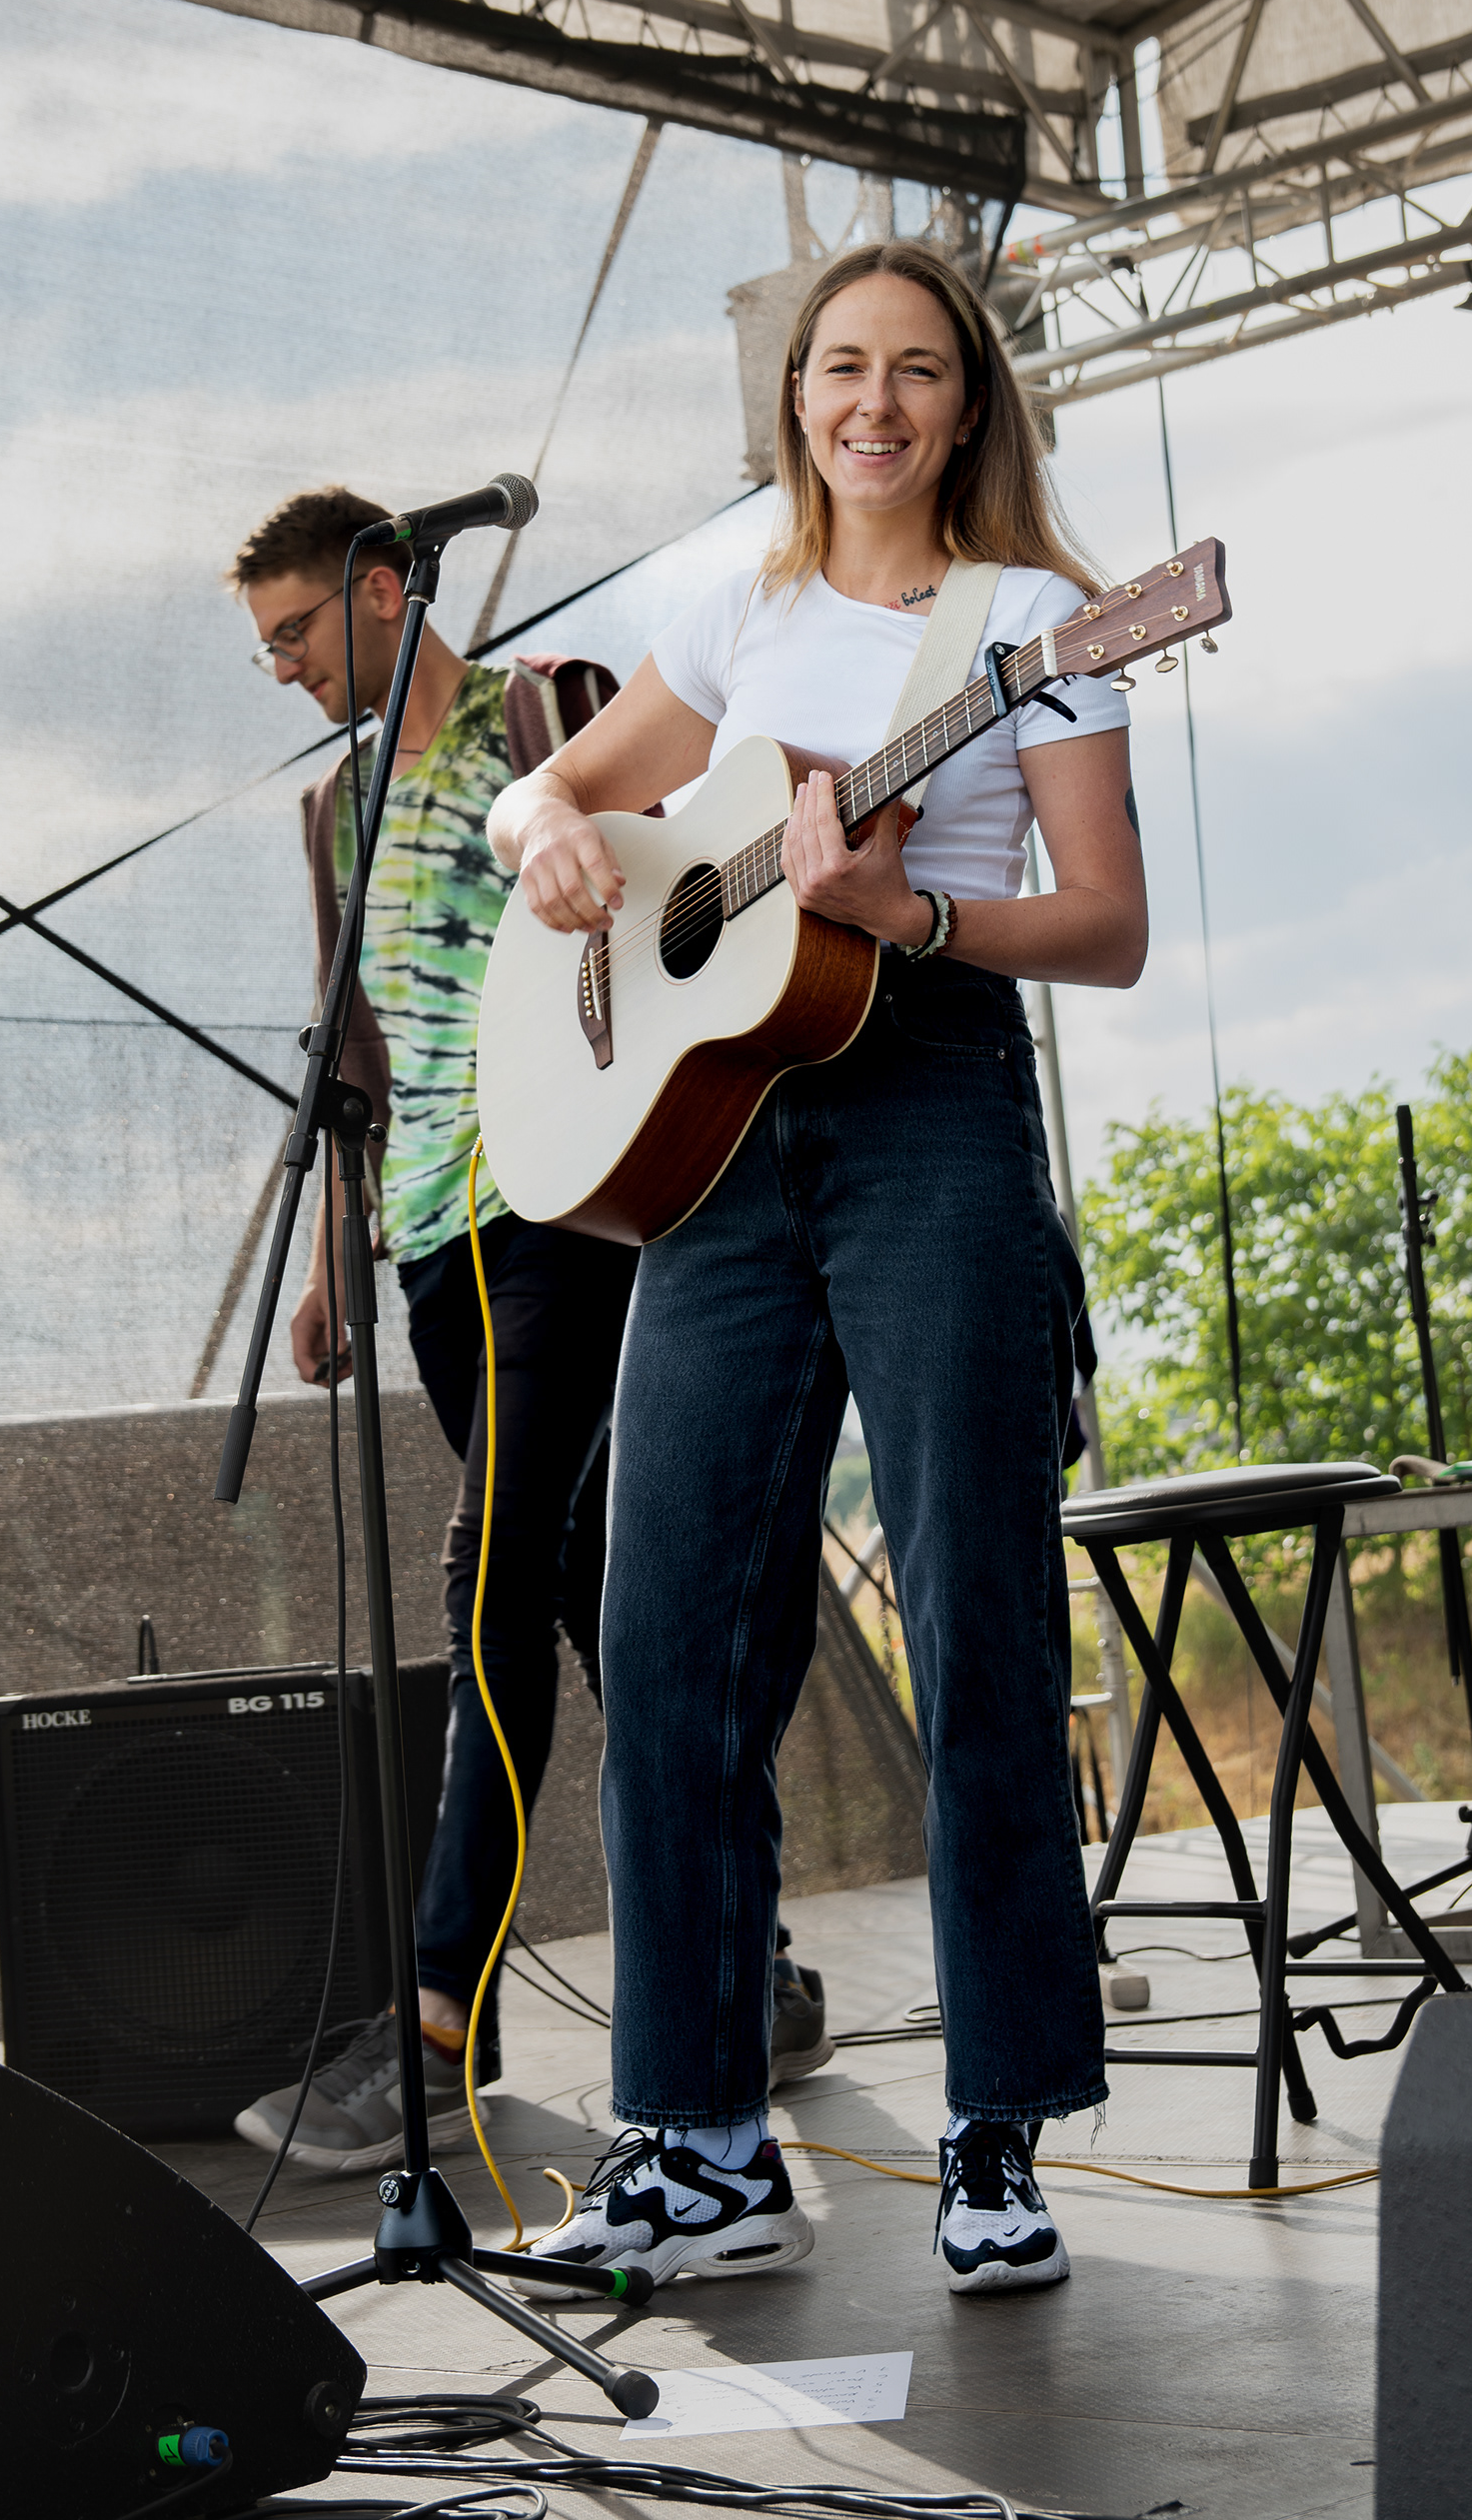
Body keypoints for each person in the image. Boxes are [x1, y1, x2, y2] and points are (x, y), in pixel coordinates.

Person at [487, 240, 1146, 2298]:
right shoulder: (736, 602)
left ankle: (996, 2124)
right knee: (666, 1626)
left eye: (917, 371)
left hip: (930, 1096)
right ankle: (698, 2141)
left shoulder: (1034, 625)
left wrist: (908, 919)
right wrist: (548, 835)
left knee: (977, 1616)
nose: (874, 402)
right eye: (841, 366)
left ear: (968, 406)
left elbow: (1108, 924)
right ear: (795, 400)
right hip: (721, 1136)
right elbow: (552, 787)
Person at [224, 490, 830, 2176]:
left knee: (488, 1577)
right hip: (431, 1235)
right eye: (264, 648)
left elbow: (687, 904)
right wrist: (336, 1262)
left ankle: (438, 2019)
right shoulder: (334, 808)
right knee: (591, 1597)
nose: (282, 670)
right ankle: (757, 1963)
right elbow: (358, 1054)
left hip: (570, 1204)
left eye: (293, 632)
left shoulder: (550, 713)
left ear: (381, 588)